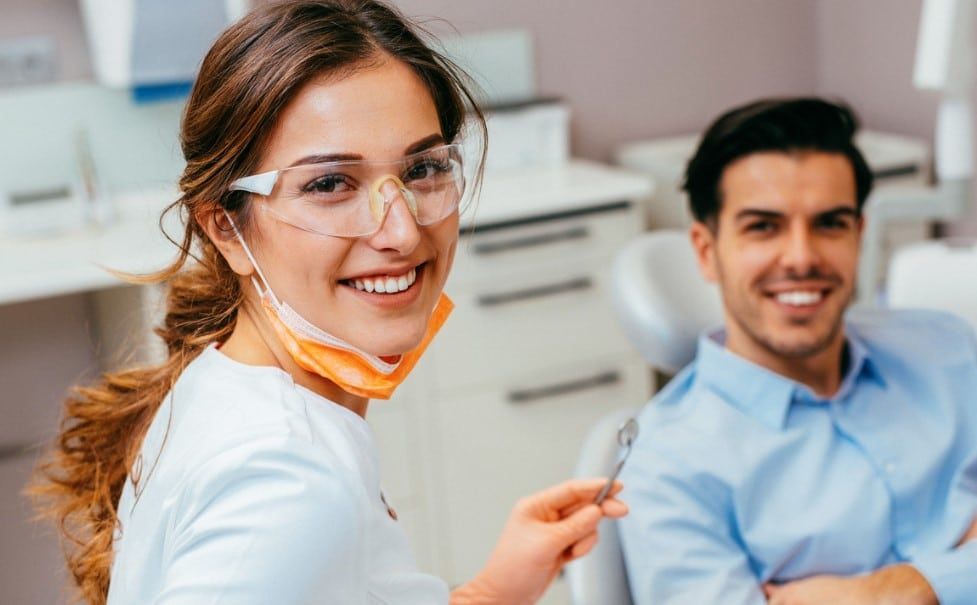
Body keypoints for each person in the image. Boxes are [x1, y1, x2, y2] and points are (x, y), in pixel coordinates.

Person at [32, 2, 627, 604]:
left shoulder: (230, 386)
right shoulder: (290, 484)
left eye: (422, 168)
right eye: (329, 184)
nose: (400, 231)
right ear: (227, 229)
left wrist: (496, 590)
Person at [618, 98, 977, 605]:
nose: (803, 257)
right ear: (706, 250)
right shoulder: (668, 466)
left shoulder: (948, 350)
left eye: (830, 223)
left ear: (859, 235)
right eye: (763, 227)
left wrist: (897, 591)